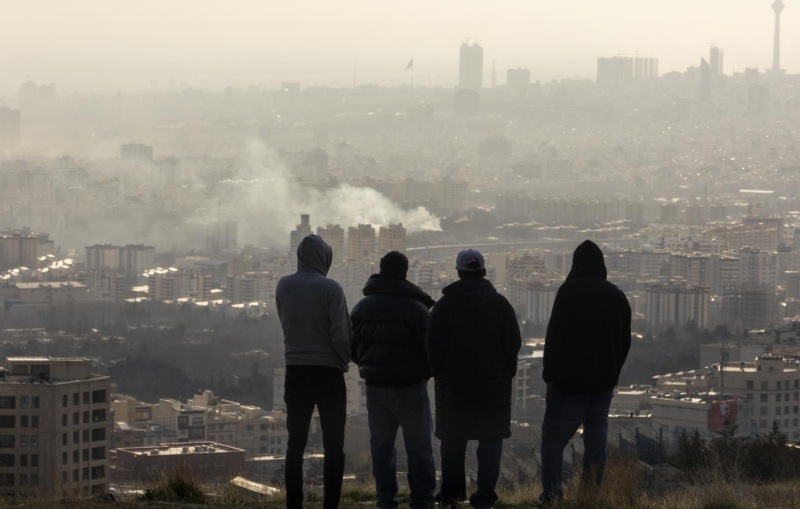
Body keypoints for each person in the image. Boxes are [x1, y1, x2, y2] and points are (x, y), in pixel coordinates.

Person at [426, 249, 522, 509]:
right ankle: (485, 497)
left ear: (458, 272)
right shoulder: (500, 304)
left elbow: (432, 345)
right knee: (490, 440)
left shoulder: (444, 306)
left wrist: (438, 372)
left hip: (454, 389)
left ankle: (451, 497)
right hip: (493, 390)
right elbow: (513, 343)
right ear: (483, 270)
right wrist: (506, 372)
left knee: (453, 442)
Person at [539, 240, 632, 506]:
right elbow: (624, 342)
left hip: (568, 386)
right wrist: (612, 372)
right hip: (602, 387)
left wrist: (549, 377)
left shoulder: (569, 292)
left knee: (553, 442)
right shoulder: (617, 296)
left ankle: (552, 496)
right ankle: (590, 496)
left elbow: (555, 337)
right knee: (596, 447)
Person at [350, 251, 437, 509]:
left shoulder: (361, 307)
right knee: (419, 446)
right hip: (410, 387)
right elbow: (432, 350)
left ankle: (385, 499)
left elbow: (351, 347)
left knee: (381, 447)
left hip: (375, 387)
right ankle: (422, 499)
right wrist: (424, 372)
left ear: (381, 270)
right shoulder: (417, 309)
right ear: (405, 273)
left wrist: (368, 365)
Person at [276, 234, 352, 509]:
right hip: (328, 373)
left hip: (295, 371)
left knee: (295, 444)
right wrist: (344, 360)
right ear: (324, 258)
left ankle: (293, 503)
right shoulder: (331, 288)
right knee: (334, 446)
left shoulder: (284, 285)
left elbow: (286, 323)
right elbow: (340, 335)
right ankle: (330, 504)